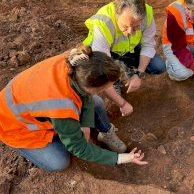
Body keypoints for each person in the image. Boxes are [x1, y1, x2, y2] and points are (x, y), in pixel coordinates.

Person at [0, 46, 148, 172]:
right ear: (91, 87)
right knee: (59, 162)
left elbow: (87, 96)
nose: (108, 90)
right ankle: (59, 137)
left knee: (95, 102)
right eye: (104, 87)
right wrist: (122, 158)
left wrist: (85, 125)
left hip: (29, 103)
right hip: (16, 127)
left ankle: (103, 134)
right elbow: (79, 148)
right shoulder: (61, 106)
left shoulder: (77, 62)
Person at [83, 0, 166, 95]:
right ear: (116, 15)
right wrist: (122, 104)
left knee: (159, 66)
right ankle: (115, 82)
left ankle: (126, 64)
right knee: (100, 75)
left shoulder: (146, 14)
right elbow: (102, 65)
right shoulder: (103, 22)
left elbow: (148, 45)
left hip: (129, 48)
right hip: (104, 52)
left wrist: (138, 74)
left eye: (136, 26)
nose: (130, 32)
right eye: (125, 26)